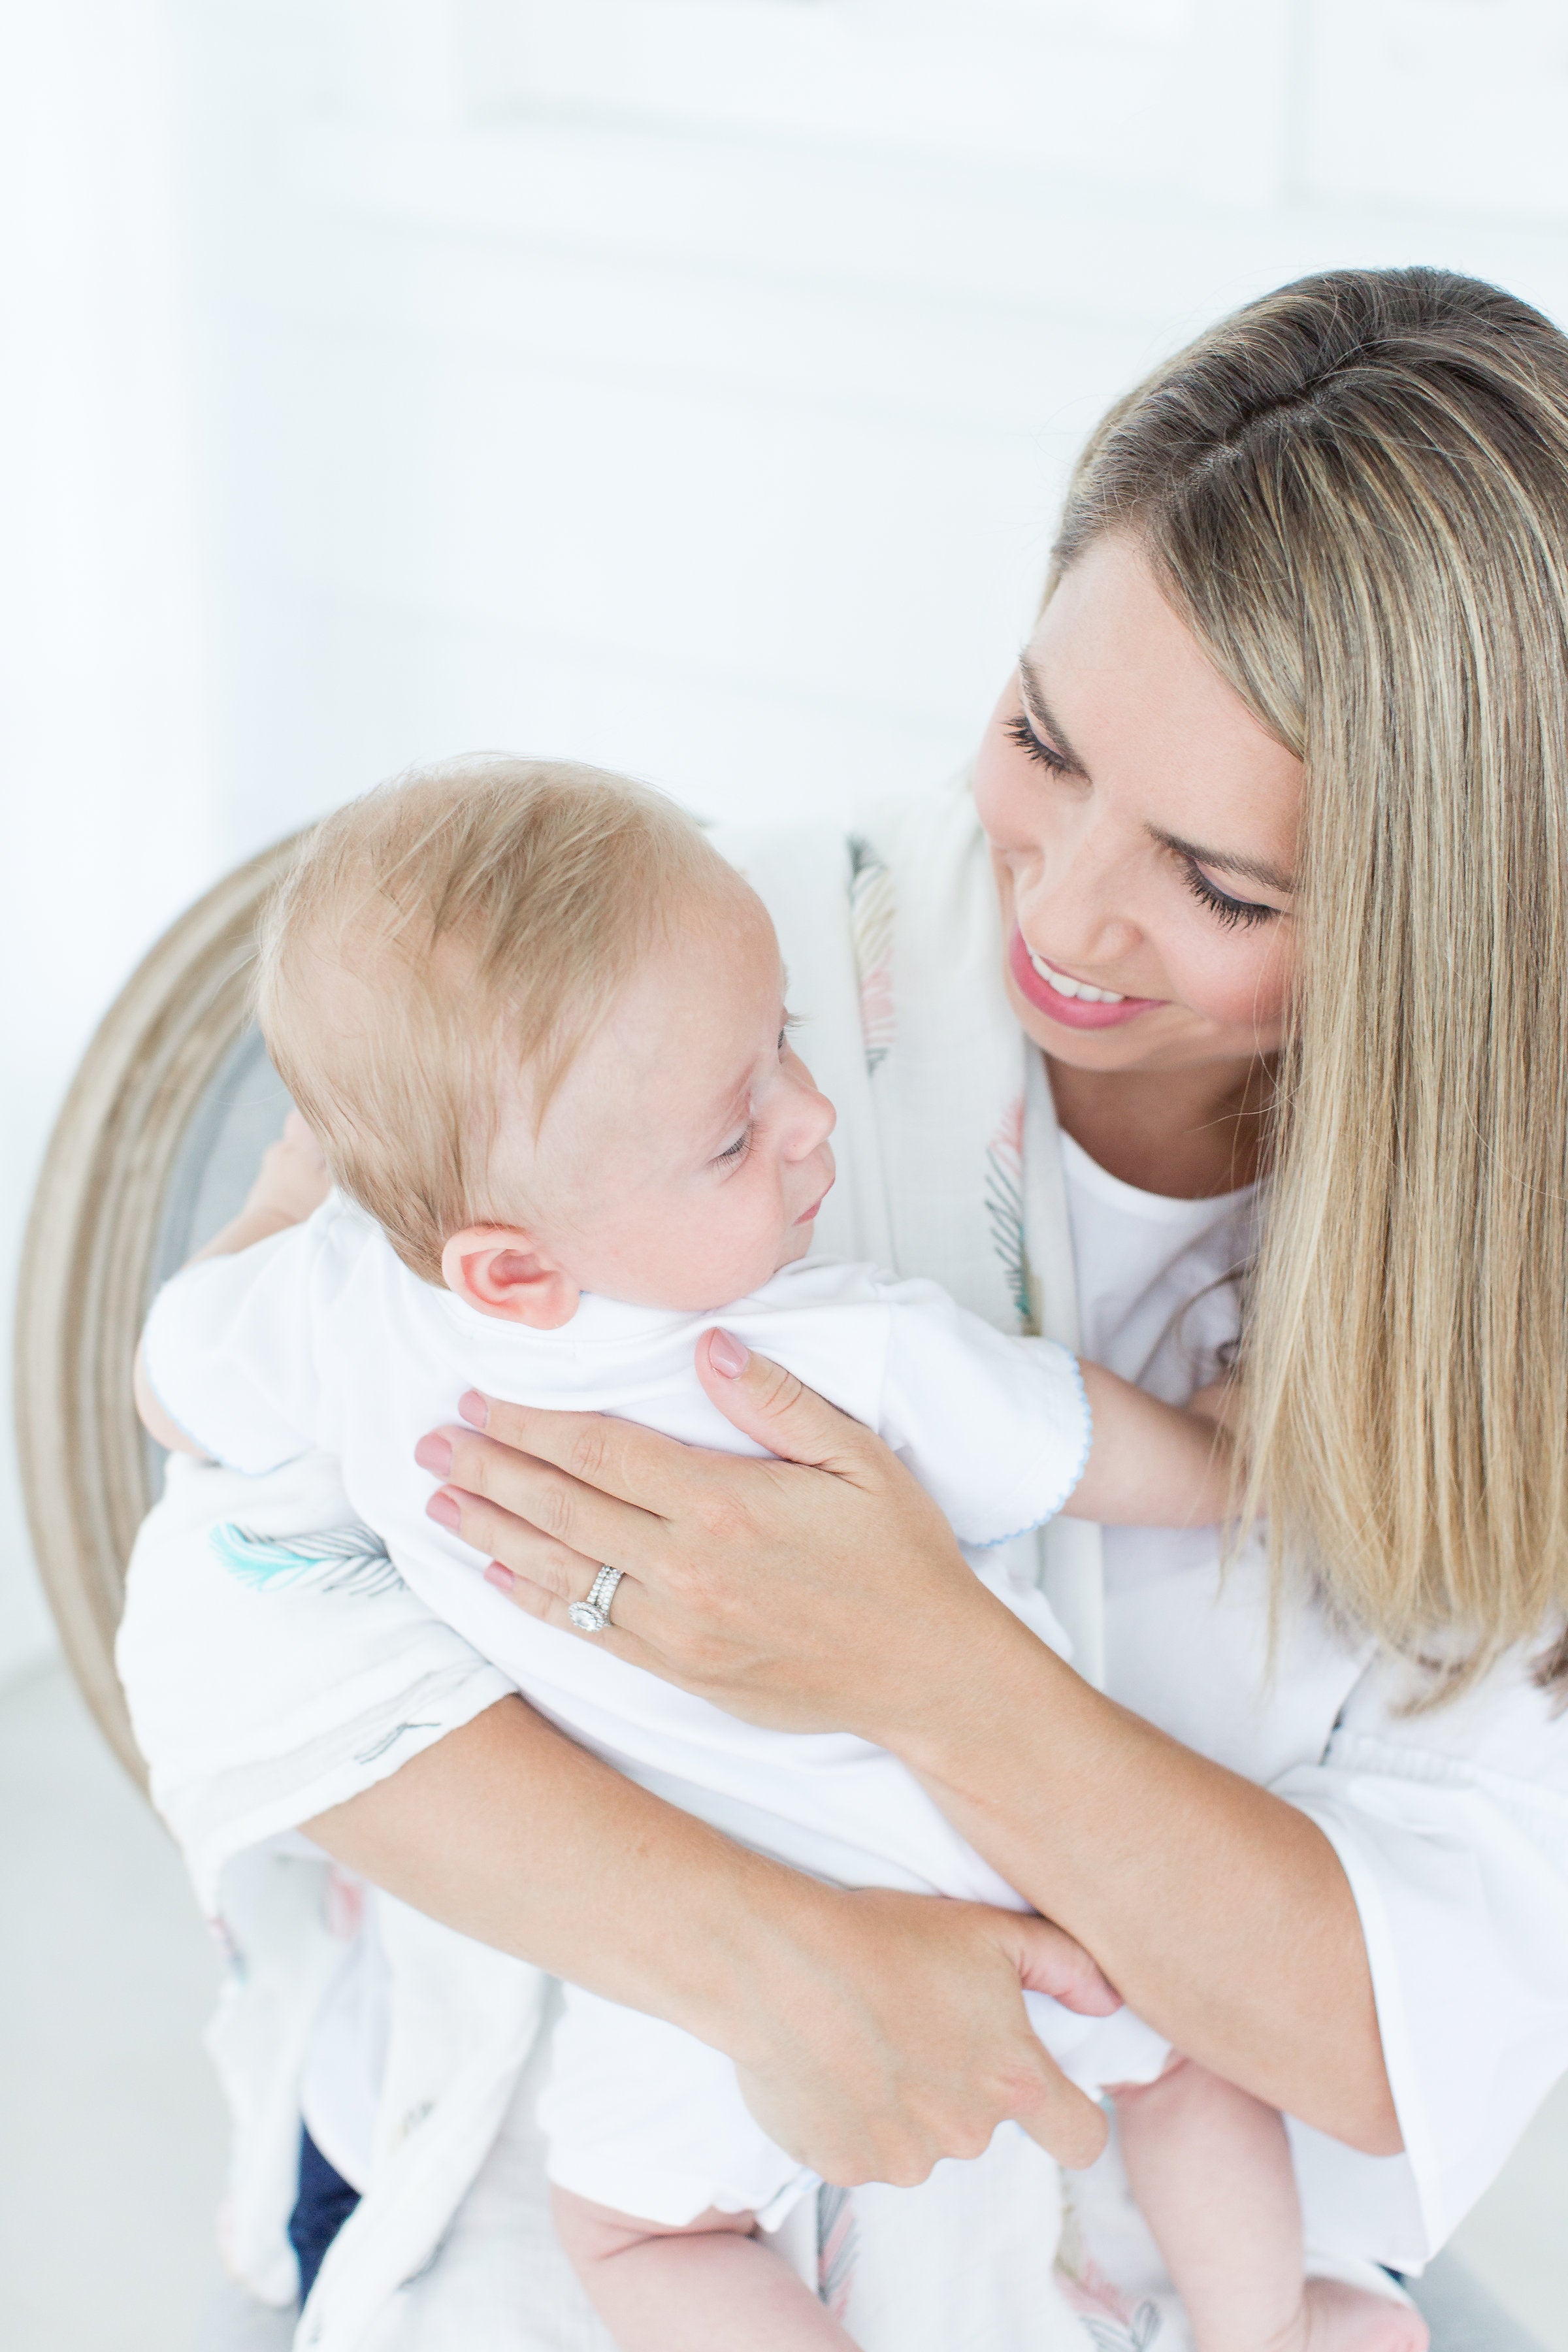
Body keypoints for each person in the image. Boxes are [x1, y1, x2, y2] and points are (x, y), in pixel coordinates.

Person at [114, 265, 1568, 2352]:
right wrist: (751, 1951)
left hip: (1166, 2233)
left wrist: (924, 1662)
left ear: (1462, 918)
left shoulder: (1510, 1310)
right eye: (1040, 744)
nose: (1061, 912)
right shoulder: (683, 967)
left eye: (1223, 886)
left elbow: (1391, 2013)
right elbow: (235, 1608)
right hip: (598, 2148)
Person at [137, 759, 1387, 2352]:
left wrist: (284, 1202)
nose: (809, 1125)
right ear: (511, 1269)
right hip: (992, 1860)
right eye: (735, 1138)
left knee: (649, 2237)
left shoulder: (337, 1322)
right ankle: (1271, 2328)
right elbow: (1075, 1443)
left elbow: (172, 1385)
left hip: (674, 1960)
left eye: (789, 1042)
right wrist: (1225, 1454)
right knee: (1190, 2070)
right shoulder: (822, 1353)